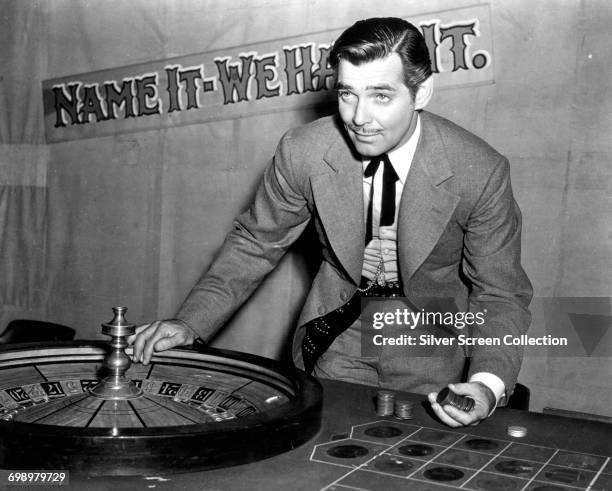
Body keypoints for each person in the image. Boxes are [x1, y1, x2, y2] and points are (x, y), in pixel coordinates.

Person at [129, 17, 532, 427]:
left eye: (380, 96)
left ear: (421, 92)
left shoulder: (478, 171)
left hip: (429, 343)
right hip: (337, 338)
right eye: (347, 94)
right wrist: (189, 322)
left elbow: (499, 293)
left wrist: (486, 383)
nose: (359, 117)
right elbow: (255, 244)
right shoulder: (303, 151)